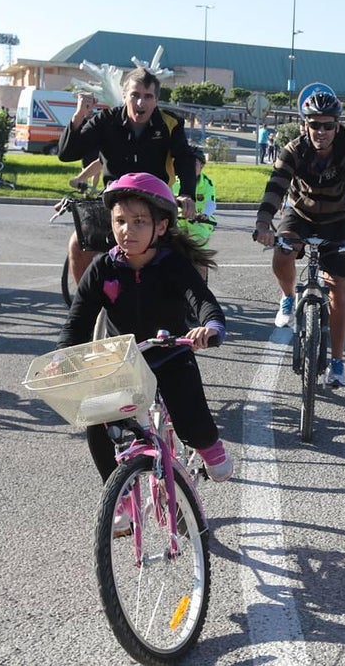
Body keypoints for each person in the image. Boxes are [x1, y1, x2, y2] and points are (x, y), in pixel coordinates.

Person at [56, 173, 232, 491]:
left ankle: (208, 447)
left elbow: (204, 302)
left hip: (171, 355)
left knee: (194, 425)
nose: (127, 231)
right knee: (97, 423)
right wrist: (64, 357)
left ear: (161, 227)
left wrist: (210, 327)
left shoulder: (173, 264)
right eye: (119, 221)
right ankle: (118, 492)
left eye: (139, 221)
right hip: (120, 361)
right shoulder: (102, 269)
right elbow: (77, 322)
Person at [253, 87, 345, 387]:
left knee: (339, 291)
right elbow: (276, 186)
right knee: (282, 254)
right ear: (304, 125)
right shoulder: (294, 150)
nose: (321, 131)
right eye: (314, 124)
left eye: (328, 125)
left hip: (336, 221)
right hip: (300, 216)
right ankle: (287, 297)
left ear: (338, 125)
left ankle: (337, 363)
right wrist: (263, 222)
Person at [58, 68, 197, 287]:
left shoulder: (170, 123)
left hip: (155, 201)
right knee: (78, 244)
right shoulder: (106, 120)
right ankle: (87, 304)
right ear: (124, 96)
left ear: (156, 100)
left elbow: (184, 160)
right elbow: (68, 154)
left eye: (148, 96)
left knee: (186, 254)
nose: (141, 103)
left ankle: (182, 305)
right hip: (114, 201)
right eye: (135, 95)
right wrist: (79, 117)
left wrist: (187, 194)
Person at [175, 147, 217, 280]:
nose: (189, 168)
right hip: (179, 220)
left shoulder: (206, 183)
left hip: (199, 222)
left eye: (194, 164)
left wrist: (205, 214)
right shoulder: (175, 182)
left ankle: (201, 283)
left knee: (199, 254)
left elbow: (211, 202)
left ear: (202, 166)